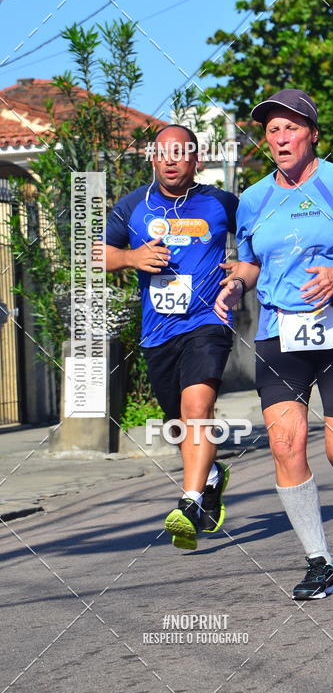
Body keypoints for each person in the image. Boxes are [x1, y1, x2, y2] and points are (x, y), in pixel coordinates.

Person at [215, 89, 333, 599]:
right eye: (272, 130)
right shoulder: (252, 200)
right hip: (279, 332)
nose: (280, 138)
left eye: (291, 127)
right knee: (285, 442)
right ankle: (320, 562)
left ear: (312, 134)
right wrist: (235, 284)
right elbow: (252, 264)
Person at [105, 124, 237, 550]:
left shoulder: (220, 203)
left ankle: (190, 501)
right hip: (158, 330)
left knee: (197, 408)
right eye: (163, 152)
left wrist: (242, 267)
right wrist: (130, 256)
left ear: (195, 158)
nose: (171, 159)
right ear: (152, 158)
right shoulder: (132, 207)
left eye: (181, 152)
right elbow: (94, 253)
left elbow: (260, 237)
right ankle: (212, 476)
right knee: (177, 424)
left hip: (208, 322)